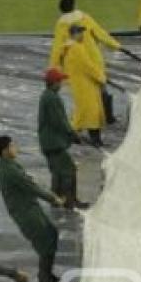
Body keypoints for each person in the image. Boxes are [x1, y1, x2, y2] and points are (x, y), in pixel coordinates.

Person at [0, 135, 64, 282]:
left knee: (51, 234)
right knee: (45, 241)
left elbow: (26, 181)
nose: (15, 148)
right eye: (12, 146)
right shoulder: (9, 169)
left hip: (30, 207)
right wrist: (53, 199)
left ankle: (46, 274)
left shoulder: (10, 165)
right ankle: (45, 278)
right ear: (5, 151)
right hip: (25, 213)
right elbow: (31, 187)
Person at [50, 0, 120, 125]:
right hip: (93, 57)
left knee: (83, 94)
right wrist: (116, 45)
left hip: (76, 63)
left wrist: (53, 67)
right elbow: (100, 33)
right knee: (101, 86)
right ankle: (107, 116)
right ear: (74, 5)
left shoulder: (61, 25)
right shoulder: (84, 18)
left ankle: (83, 121)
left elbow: (57, 47)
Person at [38, 68, 85, 207]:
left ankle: (57, 200)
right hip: (54, 143)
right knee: (68, 170)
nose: (62, 84)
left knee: (57, 172)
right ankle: (70, 202)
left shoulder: (47, 95)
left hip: (49, 142)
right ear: (54, 82)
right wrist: (72, 134)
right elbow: (59, 121)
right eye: (60, 81)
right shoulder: (52, 98)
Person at [60, 23, 107, 149]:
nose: (82, 35)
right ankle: (94, 139)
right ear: (74, 34)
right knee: (92, 112)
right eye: (80, 32)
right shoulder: (76, 48)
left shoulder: (68, 48)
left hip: (79, 84)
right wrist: (101, 77)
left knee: (83, 111)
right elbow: (88, 66)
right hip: (86, 84)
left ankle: (75, 134)